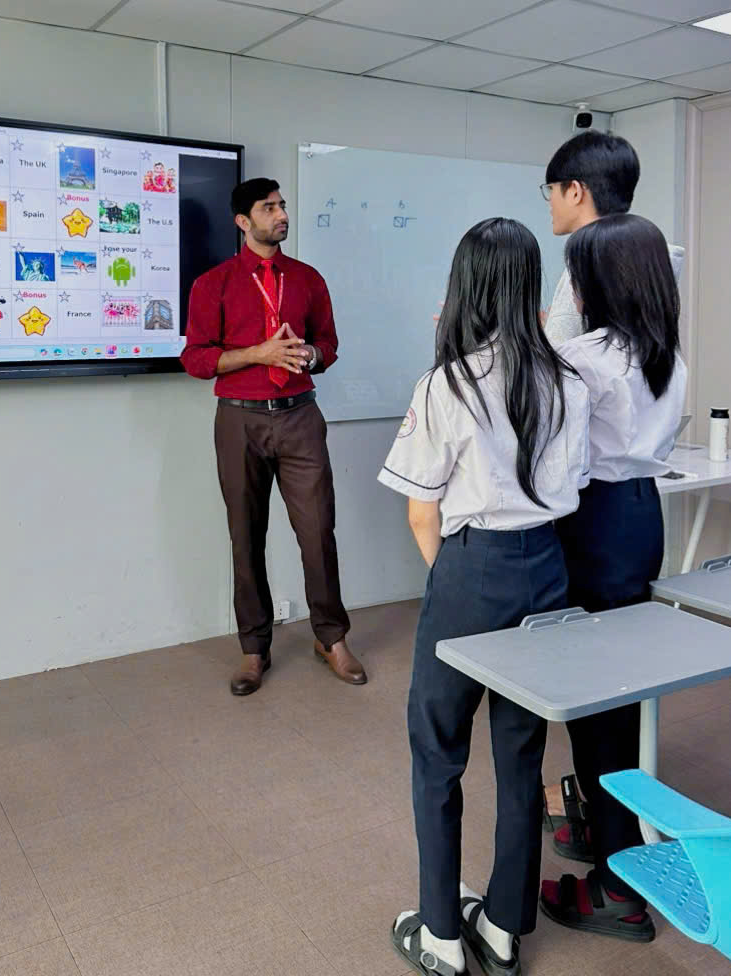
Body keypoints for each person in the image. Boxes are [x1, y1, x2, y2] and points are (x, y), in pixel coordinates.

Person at [381, 219, 590, 976]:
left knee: (438, 752)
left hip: (472, 570)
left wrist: (456, 580)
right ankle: (503, 928)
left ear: (464, 287)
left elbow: (421, 514)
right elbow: (576, 482)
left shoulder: (448, 383)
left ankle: (440, 934)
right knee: (521, 754)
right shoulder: (569, 380)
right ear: (530, 286)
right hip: (548, 570)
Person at [539, 213, 687, 944]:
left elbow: (556, 460)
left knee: (593, 702)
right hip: (640, 517)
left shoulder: (584, 358)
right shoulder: (667, 354)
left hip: (591, 522)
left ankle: (616, 887)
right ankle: (609, 833)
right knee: (621, 693)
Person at [181, 178, 366, 696]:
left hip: (300, 417)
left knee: (318, 532)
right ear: (243, 221)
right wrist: (257, 355)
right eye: (269, 208)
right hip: (239, 421)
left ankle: (331, 638)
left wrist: (311, 355)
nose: (282, 214)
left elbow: (328, 343)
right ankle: (254, 648)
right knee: (245, 535)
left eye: (282, 205)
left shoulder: (307, 278)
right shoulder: (213, 284)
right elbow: (195, 359)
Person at [542, 131, 684, 345]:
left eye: (551, 189)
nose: (550, 201)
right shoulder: (649, 259)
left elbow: (560, 360)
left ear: (574, 191)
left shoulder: (587, 266)